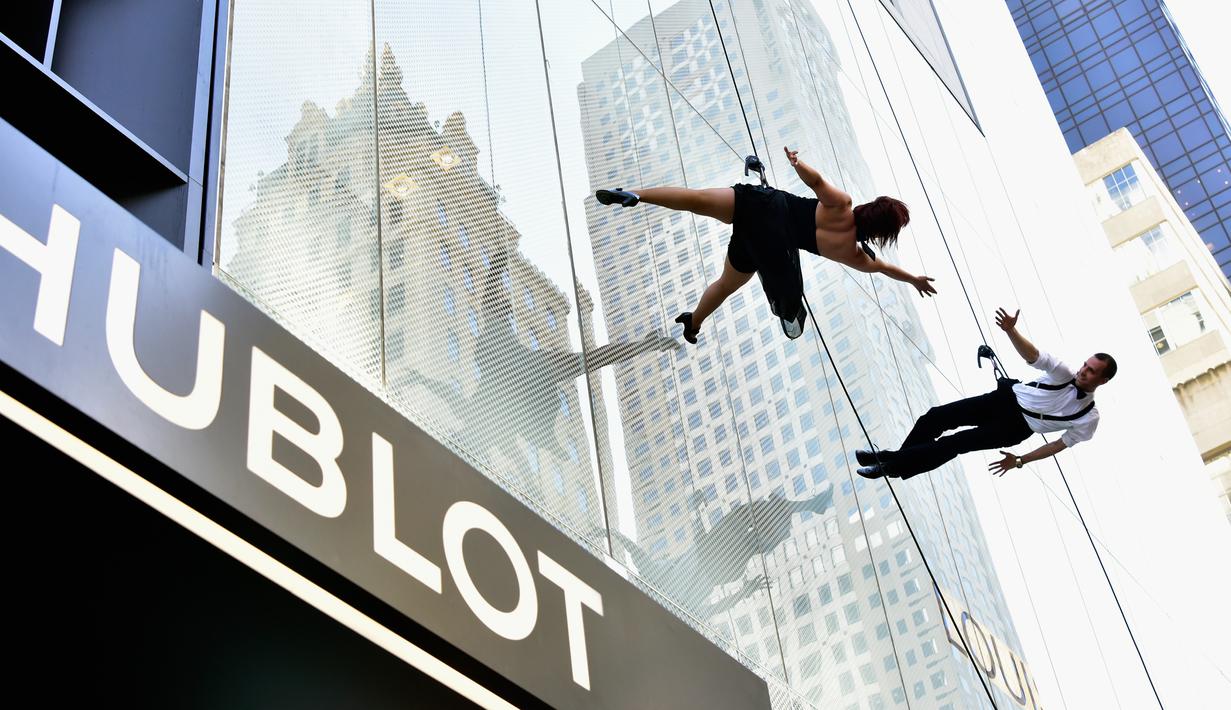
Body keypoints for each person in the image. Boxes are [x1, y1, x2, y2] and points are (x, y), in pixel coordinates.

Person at [595, 146, 936, 344]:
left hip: (762, 205)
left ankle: (637, 195)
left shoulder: (842, 205)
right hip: (766, 245)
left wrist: (796, 162)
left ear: (870, 208)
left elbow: (816, 182)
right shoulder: (854, 254)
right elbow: (885, 268)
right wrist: (915, 280)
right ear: (880, 233)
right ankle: (694, 322)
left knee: (695, 199)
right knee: (726, 284)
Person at [855, 308, 1116, 480]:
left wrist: (1021, 461)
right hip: (1003, 400)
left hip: (1016, 428)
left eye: (1092, 372)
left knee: (954, 443)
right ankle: (890, 463)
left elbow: (1059, 445)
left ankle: (888, 464)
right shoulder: (1064, 373)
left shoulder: (1088, 419)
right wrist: (1011, 331)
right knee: (935, 417)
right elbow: (1034, 356)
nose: (1083, 371)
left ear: (1103, 380)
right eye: (1085, 365)